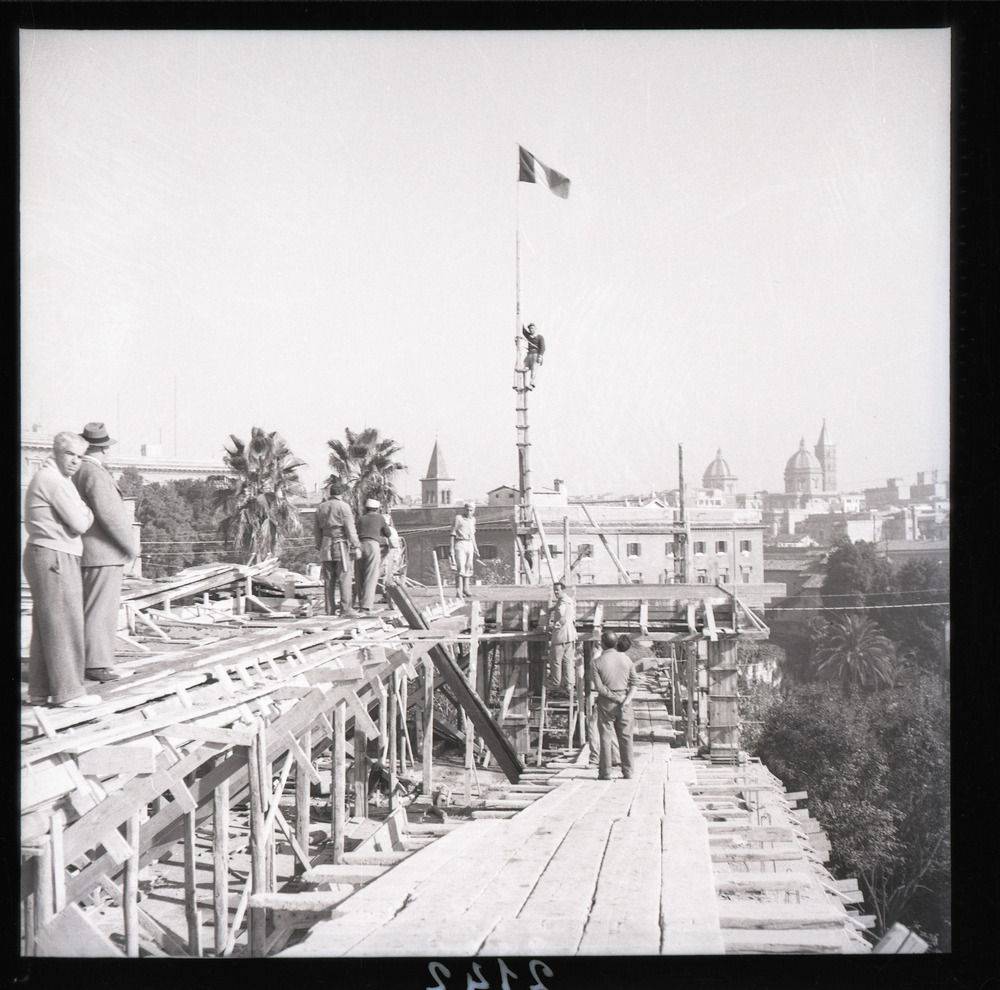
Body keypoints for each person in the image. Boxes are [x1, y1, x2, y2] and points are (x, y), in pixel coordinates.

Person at [22, 431, 101, 707]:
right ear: (56, 451)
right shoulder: (54, 480)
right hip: (55, 554)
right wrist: (87, 511)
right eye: (70, 454)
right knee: (65, 622)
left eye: (80, 457)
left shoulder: (52, 477)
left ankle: (40, 691)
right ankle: (69, 693)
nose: (75, 462)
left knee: (48, 625)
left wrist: (81, 512)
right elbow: (80, 523)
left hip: (45, 553)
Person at [72, 422, 140, 682]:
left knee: (90, 607)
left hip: (87, 551)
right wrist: (131, 547)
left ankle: (89, 661)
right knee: (101, 609)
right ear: (102, 449)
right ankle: (97, 664)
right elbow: (112, 517)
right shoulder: (95, 473)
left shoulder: (78, 470)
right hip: (103, 552)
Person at [592, 629, 639, 780]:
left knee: (606, 737)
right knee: (626, 737)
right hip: (625, 702)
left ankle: (605, 772)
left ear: (602, 644)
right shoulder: (627, 660)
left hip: (606, 703)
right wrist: (626, 700)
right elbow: (634, 683)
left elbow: (600, 688)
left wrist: (615, 698)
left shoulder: (596, 663)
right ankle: (628, 772)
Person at [314, 480, 362, 616]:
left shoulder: (321, 507)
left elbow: (316, 530)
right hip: (340, 545)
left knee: (329, 579)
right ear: (342, 494)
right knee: (344, 577)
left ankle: (330, 610)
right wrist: (356, 545)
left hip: (325, 545)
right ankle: (346, 608)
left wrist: (319, 545)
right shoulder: (344, 507)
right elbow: (350, 529)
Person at [356, 497, 392, 612]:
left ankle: (361, 600)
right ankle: (366, 606)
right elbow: (388, 533)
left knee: (359, 576)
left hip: (359, 545)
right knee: (371, 576)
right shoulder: (380, 518)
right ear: (377, 509)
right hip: (372, 546)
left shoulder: (361, 519)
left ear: (366, 509)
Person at [545, 581, 577, 696]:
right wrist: (552, 608)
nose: (555, 592)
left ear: (563, 590)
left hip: (561, 637)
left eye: (557, 590)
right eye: (555, 590)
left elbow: (563, 614)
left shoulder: (563, 602)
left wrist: (556, 625)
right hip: (571, 636)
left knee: (555, 661)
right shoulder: (568, 600)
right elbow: (562, 607)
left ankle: (555, 685)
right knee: (568, 661)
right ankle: (569, 686)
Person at [449, 501, 479, 597]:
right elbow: (452, 533)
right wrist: (451, 548)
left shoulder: (473, 520)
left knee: (468, 566)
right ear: (464, 509)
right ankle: (459, 590)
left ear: (473, 511)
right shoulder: (458, 518)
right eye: (467, 510)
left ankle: (466, 589)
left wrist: (475, 547)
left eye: (471, 510)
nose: (469, 512)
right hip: (460, 542)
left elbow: (473, 535)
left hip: (469, 543)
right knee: (460, 567)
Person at [521, 323, 545, 389]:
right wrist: (521, 323)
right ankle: (525, 384)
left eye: (533, 328)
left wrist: (540, 356)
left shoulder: (539, 337)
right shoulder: (529, 337)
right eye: (530, 329)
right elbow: (523, 331)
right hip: (529, 354)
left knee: (534, 370)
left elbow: (543, 347)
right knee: (524, 367)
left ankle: (532, 383)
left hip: (536, 354)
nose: (531, 330)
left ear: (535, 329)